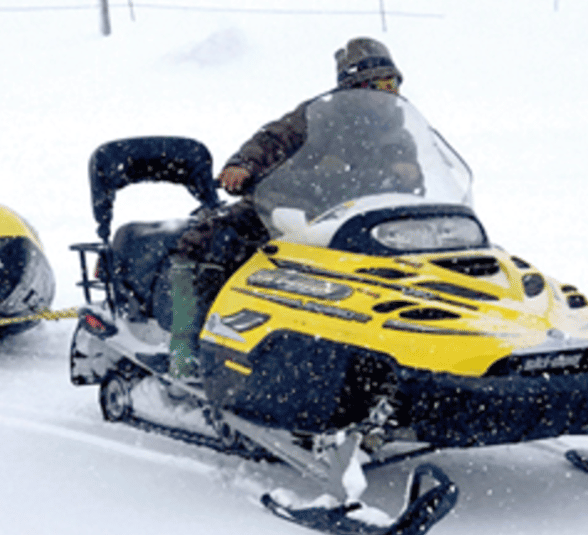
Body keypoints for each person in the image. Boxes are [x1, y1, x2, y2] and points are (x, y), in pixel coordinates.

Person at [165, 37, 409, 379]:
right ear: (354, 87)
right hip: (286, 208)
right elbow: (271, 140)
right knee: (203, 243)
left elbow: (415, 176)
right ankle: (185, 348)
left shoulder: (398, 131)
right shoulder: (318, 115)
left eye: (393, 84)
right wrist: (243, 165)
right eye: (379, 86)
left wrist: (410, 175)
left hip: (355, 219)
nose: (388, 94)